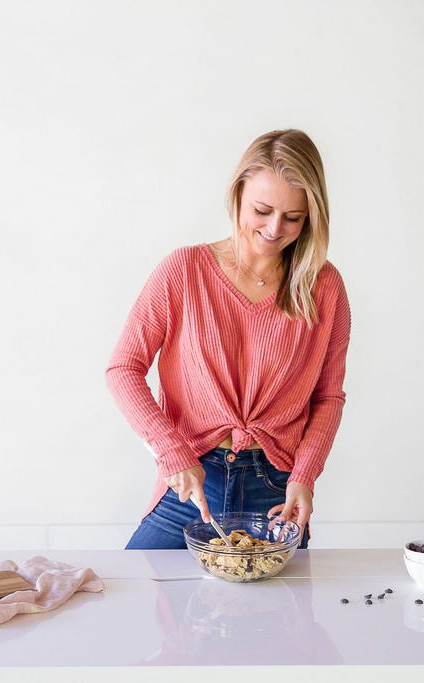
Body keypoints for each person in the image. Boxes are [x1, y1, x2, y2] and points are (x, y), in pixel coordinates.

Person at [106, 129, 351, 550]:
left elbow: (327, 397)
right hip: (195, 478)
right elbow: (123, 369)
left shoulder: (323, 287)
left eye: (294, 217)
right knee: (139, 600)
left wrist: (305, 478)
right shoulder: (184, 271)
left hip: (275, 491)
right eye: (262, 210)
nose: (275, 229)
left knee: (278, 617)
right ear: (238, 194)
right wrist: (172, 453)